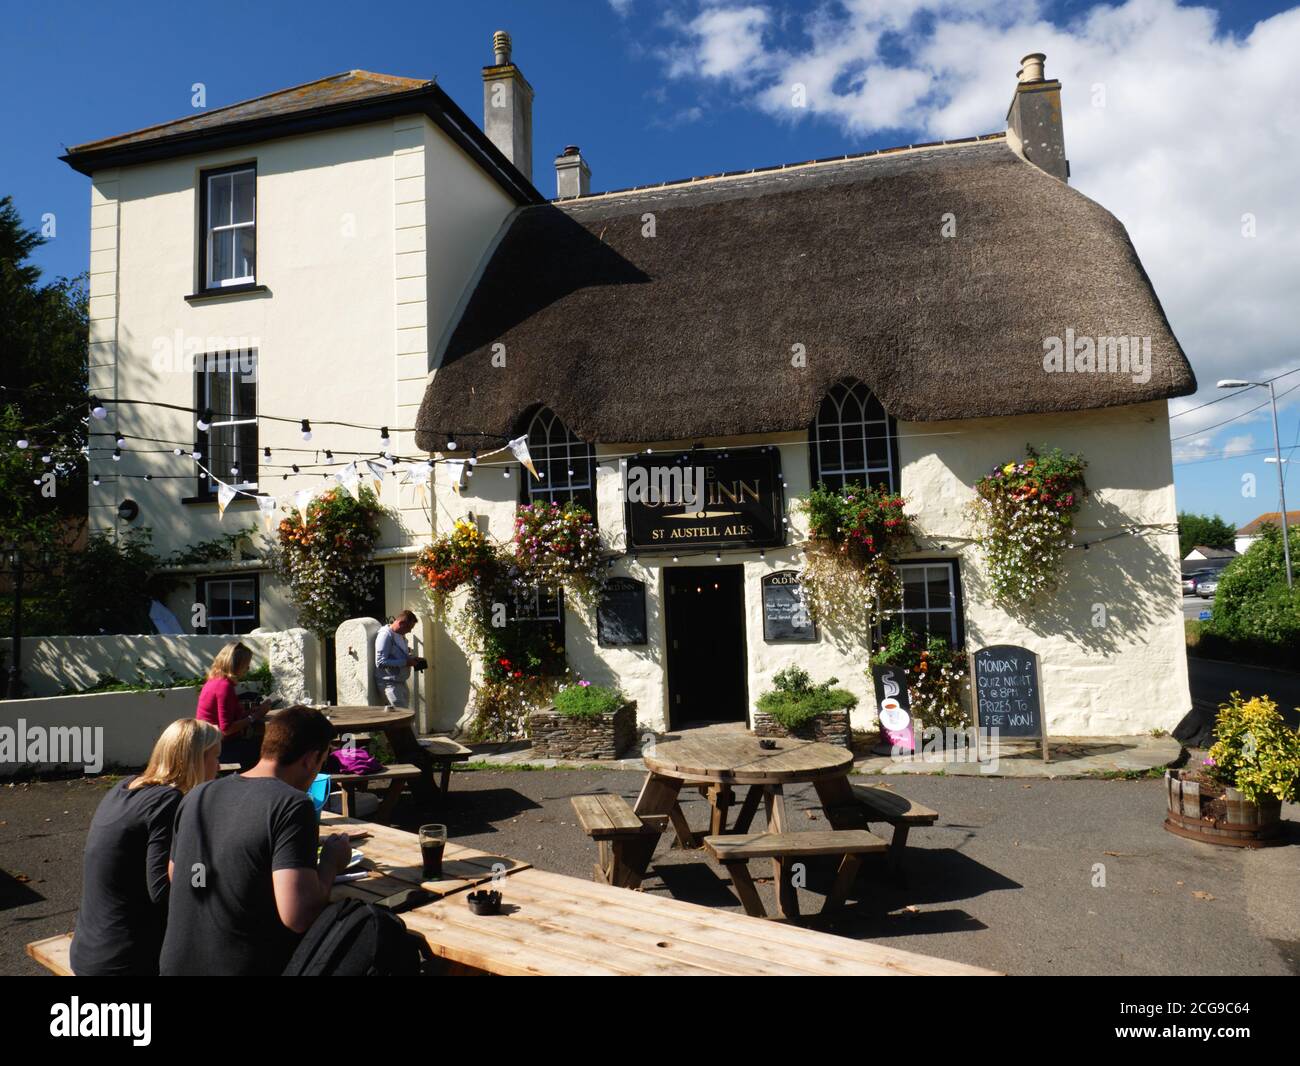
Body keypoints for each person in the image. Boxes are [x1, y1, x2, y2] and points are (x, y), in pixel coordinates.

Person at [160, 705, 352, 976]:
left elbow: (176, 873)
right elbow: (299, 916)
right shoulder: (293, 804)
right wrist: (331, 863)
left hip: (175, 967)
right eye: (322, 763)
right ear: (311, 759)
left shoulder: (198, 794)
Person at [70, 718, 223, 976]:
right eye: (216, 757)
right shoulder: (168, 801)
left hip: (88, 949)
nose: (219, 766)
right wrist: (207, 873)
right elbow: (162, 890)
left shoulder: (125, 787)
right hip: (123, 961)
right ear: (196, 759)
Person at [197, 641, 273, 770]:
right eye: (246, 664)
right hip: (218, 750)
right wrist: (256, 715)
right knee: (269, 749)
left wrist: (250, 712)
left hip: (209, 746)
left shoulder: (214, 682)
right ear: (236, 665)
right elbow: (226, 729)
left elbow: (226, 718)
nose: (248, 668)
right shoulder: (224, 687)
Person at [376, 610, 421, 708]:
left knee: (405, 714)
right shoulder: (386, 635)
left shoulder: (400, 635)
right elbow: (380, 662)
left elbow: (397, 656)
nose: (410, 631)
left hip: (400, 682)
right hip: (390, 684)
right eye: (409, 628)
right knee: (400, 715)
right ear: (401, 623)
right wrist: (406, 662)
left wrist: (412, 659)